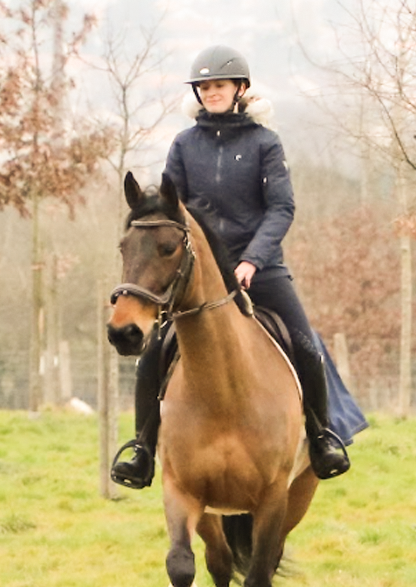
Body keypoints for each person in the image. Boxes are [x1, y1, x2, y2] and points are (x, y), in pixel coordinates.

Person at [109, 45, 351, 489]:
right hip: (200, 273)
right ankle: (142, 449)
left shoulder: (265, 143)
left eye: (218, 85)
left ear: (240, 89)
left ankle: (320, 436)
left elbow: (281, 208)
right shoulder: (184, 145)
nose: (211, 92)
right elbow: (171, 210)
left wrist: (252, 260)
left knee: (305, 344)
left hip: (260, 268)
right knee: (151, 360)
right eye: (204, 87)